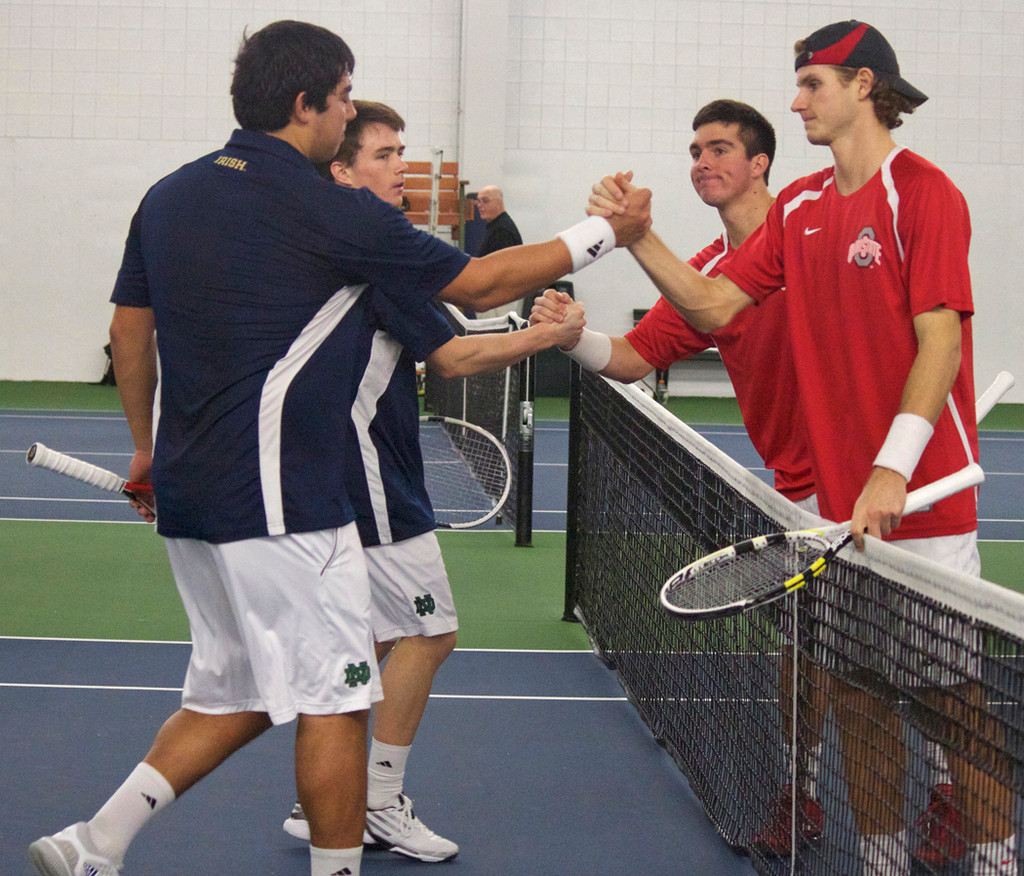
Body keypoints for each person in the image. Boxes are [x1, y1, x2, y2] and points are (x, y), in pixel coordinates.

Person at [27, 20, 650, 876]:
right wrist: (604, 231)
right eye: (346, 97)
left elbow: (127, 334)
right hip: (289, 504)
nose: (351, 112)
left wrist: (146, 452)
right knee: (338, 703)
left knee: (235, 694)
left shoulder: (167, 195)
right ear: (305, 104)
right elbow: (481, 281)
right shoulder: (330, 209)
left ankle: (94, 843)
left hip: (195, 499)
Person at [589, 20, 1015, 876]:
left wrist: (892, 467)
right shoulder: (801, 207)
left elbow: (942, 345)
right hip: (834, 509)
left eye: (813, 83)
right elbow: (713, 306)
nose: (797, 101)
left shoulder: (924, 194)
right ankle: (886, 861)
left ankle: (1001, 857)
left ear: (864, 86)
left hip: (922, 502)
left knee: (951, 703)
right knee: (856, 697)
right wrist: (640, 238)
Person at [275, 99, 587, 863]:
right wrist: (549, 334)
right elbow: (452, 357)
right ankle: (377, 799)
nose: (399, 167)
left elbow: (449, 331)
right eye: (382, 154)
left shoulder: (324, 241)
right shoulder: (371, 250)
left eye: (401, 152)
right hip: (370, 475)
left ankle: (328, 790)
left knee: (380, 633)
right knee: (430, 631)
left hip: (338, 470)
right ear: (341, 170)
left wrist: (527, 331)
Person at [534, 98, 829, 857]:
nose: (704, 161)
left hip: (859, 477)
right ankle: (805, 791)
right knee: (810, 651)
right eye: (695, 149)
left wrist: (633, 235)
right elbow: (632, 358)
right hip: (792, 484)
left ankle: (945, 792)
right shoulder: (701, 269)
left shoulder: (804, 232)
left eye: (722, 147)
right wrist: (574, 337)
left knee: (883, 663)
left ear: (761, 162)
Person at [471, 186, 525, 318]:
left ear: (498, 203)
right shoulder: (496, 226)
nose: (480, 205)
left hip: (500, 304)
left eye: (485, 201)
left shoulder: (502, 231)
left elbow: (500, 272)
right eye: (478, 201)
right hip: (496, 301)